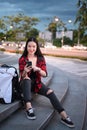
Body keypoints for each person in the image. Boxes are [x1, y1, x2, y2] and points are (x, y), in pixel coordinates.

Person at [19, 37, 75, 128]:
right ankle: (28, 108)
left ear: (37, 47)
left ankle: (64, 116)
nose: (31, 49)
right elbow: (21, 76)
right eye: (29, 46)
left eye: (34, 46)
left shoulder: (40, 59)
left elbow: (45, 74)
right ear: (26, 47)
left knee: (50, 92)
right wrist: (25, 71)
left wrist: (39, 69)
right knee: (26, 79)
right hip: (25, 84)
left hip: (37, 83)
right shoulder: (22, 59)